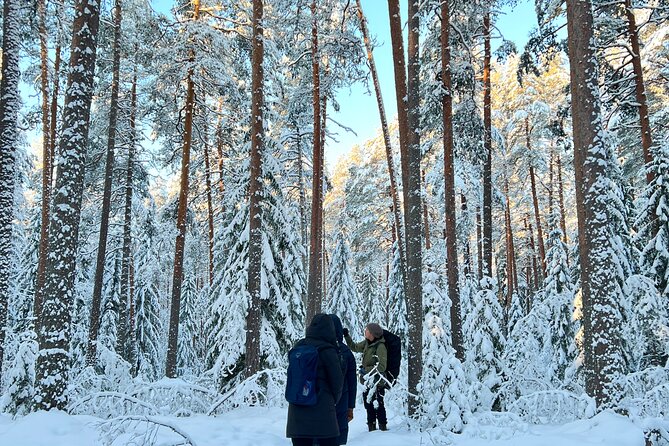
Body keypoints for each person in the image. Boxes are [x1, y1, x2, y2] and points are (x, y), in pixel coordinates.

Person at [286, 313, 344, 446]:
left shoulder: (298, 346)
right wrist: (332, 400)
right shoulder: (328, 350)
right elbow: (337, 382)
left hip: (297, 413)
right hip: (323, 414)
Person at [343, 322, 388, 432]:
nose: (365, 331)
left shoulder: (380, 346)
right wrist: (346, 336)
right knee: (368, 405)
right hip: (367, 382)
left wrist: (365, 370)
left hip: (377, 382)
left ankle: (383, 428)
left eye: (367, 330)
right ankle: (371, 429)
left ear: (372, 333)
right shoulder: (367, 343)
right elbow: (354, 347)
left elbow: (382, 366)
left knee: (379, 405)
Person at [329, 315, 357, 445]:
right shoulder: (345, 351)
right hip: (341, 401)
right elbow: (352, 383)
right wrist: (351, 406)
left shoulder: (314, 347)